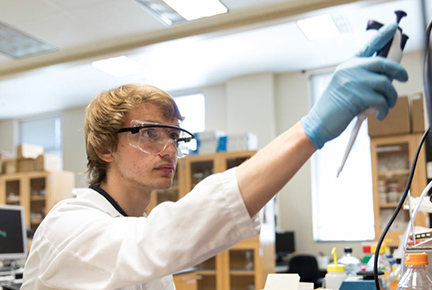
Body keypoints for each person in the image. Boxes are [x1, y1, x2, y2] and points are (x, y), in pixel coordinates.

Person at [21, 23, 408, 290]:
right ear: (104, 147)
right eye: (150, 133)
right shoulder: (67, 227)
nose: (169, 148)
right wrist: (310, 130)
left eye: (174, 136)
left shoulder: (132, 226)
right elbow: (160, 237)